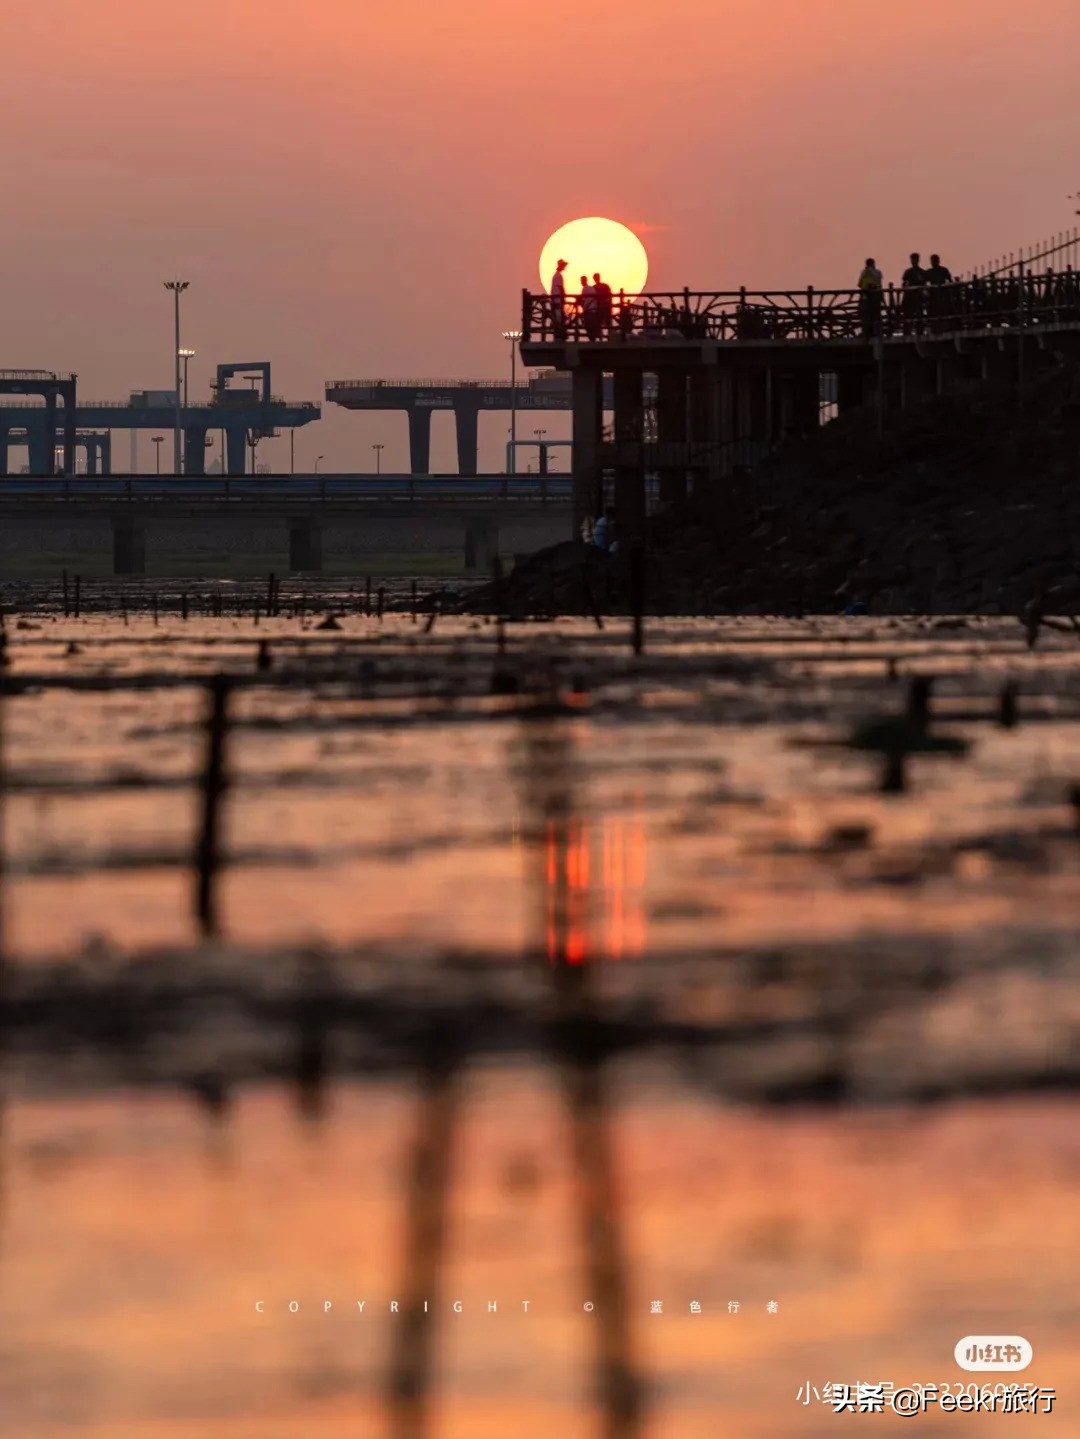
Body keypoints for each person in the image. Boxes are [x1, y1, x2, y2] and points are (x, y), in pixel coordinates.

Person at [925, 253, 953, 330]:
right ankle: (934, 327)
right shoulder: (929, 272)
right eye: (932, 261)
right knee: (934, 313)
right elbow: (924, 283)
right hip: (933, 296)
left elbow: (950, 281)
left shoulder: (943, 270)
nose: (933, 262)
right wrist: (927, 293)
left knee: (943, 312)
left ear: (938, 261)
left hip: (943, 295)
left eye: (934, 261)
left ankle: (945, 327)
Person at [857, 257, 883, 337]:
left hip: (872, 296)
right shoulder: (866, 272)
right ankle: (869, 332)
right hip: (869, 296)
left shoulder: (871, 272)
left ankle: (871, 331)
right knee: (869, 315)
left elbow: (860, 284)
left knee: (872, 315)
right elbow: (860, 284)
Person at [901, 252, 926, 331]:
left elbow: (924, 284)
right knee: (908, 315)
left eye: (914, 260)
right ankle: (907, 330)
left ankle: (920, 330)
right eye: (912, 260)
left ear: (918, 260)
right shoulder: (908, 272)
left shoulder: (922, 272)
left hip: (918, 297)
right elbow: (904, 283)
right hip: (909, 296)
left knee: (919, 314)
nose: (913, 261)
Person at [551, 258, 568, 339]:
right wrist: (564, 296)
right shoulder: (558, 276)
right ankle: (559, 331)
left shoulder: (556, 275)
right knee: (559, 315)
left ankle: (559, 330)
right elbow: (560, 288)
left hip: (555, 298)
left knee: (558, 314)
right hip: (557, 298)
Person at [579, 274, 599, 340]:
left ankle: (592, 339)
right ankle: (594, 339)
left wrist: (584, 308)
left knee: (588, 326)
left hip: (588, 310)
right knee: (592, 326)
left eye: (582, 281)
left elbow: (584, 300)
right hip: (593, 309)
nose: (581, 282)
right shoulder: (591, 288)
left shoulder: (585, 289)